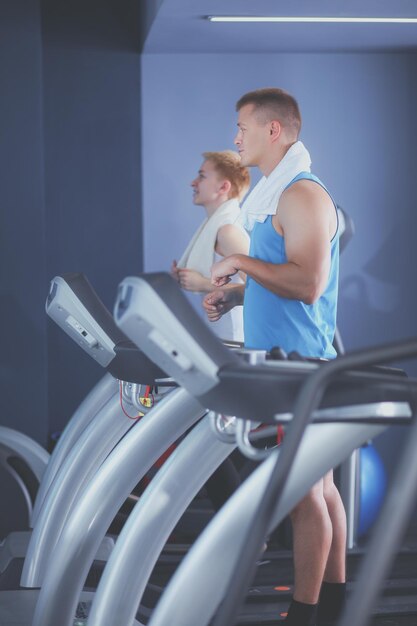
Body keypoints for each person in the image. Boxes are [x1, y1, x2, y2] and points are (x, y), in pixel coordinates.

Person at [203, 88, 346, 626]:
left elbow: (308, 284)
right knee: (322, 491)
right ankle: (332, 607)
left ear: (275, 131)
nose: (235, 137)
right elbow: (280, 280)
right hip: (286, 362)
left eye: (242, 127)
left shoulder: (303, 195)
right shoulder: (274, 195)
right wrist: (240, 293)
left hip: (302, 366)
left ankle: (305, 614)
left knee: (305, 495)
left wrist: (238, 260)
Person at [171, 150, 250, 342]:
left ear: (223, 187)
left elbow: (261, 291)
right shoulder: (214, 227)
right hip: (221, 339)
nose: (193, 182)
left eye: (202, 176)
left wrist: (201, 283)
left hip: (237, 342)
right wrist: (184, 278)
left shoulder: (228, 231)